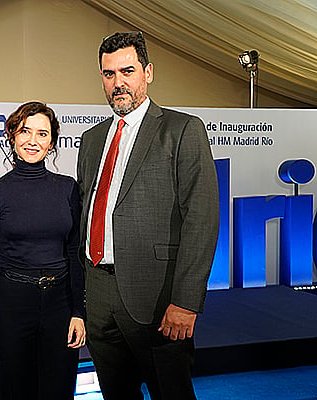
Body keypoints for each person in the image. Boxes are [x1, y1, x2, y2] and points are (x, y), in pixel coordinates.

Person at [77, 31, 219, 399]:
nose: (118, 83)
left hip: (157, 299)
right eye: (109, 74)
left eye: (127, 71)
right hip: (99, 296)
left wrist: (187, 302)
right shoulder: (91, 140)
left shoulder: (182, 130)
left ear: (148, 72)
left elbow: (202, 220)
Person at [0, 101, 86, 400]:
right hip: (9, 305)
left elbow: (75, 252)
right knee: (13, 393)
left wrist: (78, 312)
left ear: (52, 143)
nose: (33, 140)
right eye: (25, 131)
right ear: (12, 136)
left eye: (42, 133)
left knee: (59, 392)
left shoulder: (68, 188)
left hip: (60, 306)